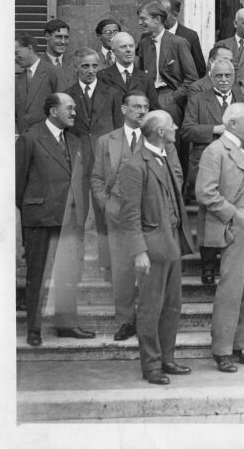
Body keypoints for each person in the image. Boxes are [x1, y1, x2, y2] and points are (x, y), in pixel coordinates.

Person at [119, 110, 193, 385]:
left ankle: (167, 359)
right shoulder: (135, 165)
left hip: (170, 243)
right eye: (171, 125)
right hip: (151, 247)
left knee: (172, 306)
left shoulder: (163, 156)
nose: (175, 128)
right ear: (160, 132)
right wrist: (139, 252)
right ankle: (151, 366)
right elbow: (129, 215)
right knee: (151, 308)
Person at [195, 103, 244, 373]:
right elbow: (205, 193)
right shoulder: (215, 151)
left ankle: (241, 345)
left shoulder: (243, 149)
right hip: (236, 228)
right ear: (232, 124)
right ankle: (222, 349)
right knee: (231, 290)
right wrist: (238, 215)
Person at [16, 93, 92, 346]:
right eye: (69, 108)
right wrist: (34, 208)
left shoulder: (75, 140)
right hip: (40, 219)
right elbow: (18, 184)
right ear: (52, 112)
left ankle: (67, 325)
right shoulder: (30, 138)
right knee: (37, 274)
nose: (74, 113)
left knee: (68, 273)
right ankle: (34, 329)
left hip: (70, 219)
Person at [90, 91, 150, 342]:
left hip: (148, 214)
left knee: (149, 270)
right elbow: (96, 177)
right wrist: (106, 204)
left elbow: (174, 175)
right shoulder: (107, 140)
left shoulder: (157, 137)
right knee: (122, 270)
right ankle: (125, 321)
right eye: (136, 106)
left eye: (146, 107)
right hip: (117, 212)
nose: (142, 111)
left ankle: (148, 321)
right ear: (124, 109)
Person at [65, 47, 122, 276]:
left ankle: (107, 265)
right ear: (76, 67)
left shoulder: (111, 94)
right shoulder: (68, 95)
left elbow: (119, 129)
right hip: (78, 164)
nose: (90, 71)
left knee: (105, 214)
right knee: (76, 215)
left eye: (94, 66)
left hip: (105, 164)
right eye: (85, 66)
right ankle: (75, 266)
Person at [181, 58, 244, 203]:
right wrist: (215, 129)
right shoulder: (197, 100)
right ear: (211, 77)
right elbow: (186, 131)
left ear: (233, 76)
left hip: (235, 166)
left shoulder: (243, 101)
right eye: (219, 76)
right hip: (205, 165)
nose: (223, 80)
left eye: (227, 75)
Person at [136, 0, 198, 126]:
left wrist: (173, 98)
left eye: (143, 19)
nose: (140, 23)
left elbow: (192, 78)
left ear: (157, 19)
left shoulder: (178, 43)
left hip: (170, 98)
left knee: (171, 140)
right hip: (147, 98)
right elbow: (140, 74)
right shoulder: (144, 43)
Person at [96, 31, 159, 110]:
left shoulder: (146, 78)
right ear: (114, 51)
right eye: (123, 47)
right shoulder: (102, 77)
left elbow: (154, 109)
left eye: (131, 46)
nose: (129, 50)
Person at [15, 34, 58, 135]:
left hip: (46, 139)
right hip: (24, 140)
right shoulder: (19, 79)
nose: (15, 58)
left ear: (29, 48)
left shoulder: (53, 72)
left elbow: (61, 109)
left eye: (17, 53)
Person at [161, 0, 206, 78]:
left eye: (163, 14)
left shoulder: (190, 36)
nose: (159, 18)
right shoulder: (151, 35)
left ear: (175, 15)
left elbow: (200, 69)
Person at [41, 19, 76, 91]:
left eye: (66, 37)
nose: (63, 42)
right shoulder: (38, 64)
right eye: (59, 37)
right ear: (47, 36)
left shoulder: (75, 63)